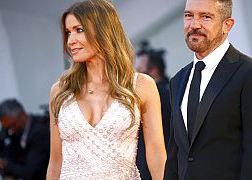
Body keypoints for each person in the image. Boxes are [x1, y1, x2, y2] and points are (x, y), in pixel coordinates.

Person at [46, 0, 166, 179]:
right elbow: (56, 162)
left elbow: (156, 155)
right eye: (67, 33)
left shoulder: (142, 86)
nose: (71, 41)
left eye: (79, 30)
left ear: (103, 30)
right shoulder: (60, 91)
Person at [164, 0, 252, 179]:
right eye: (189, 16)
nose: (194, 24)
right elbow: (175, 154)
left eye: (206, 17)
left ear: (227, 25)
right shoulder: (178, 80)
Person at [136, 45, 171, 180]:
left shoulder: (158, 92)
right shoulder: (172, 90)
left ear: (153, 71)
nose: (136, 75)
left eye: (139, 70)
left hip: (153, 168)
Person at [0, 99, 50, 180]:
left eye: (13, 125)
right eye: (7, 128)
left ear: (22, 114)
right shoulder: (13, 131)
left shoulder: (39, 133)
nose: (11, 130)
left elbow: (30, 173)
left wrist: (4, 164)